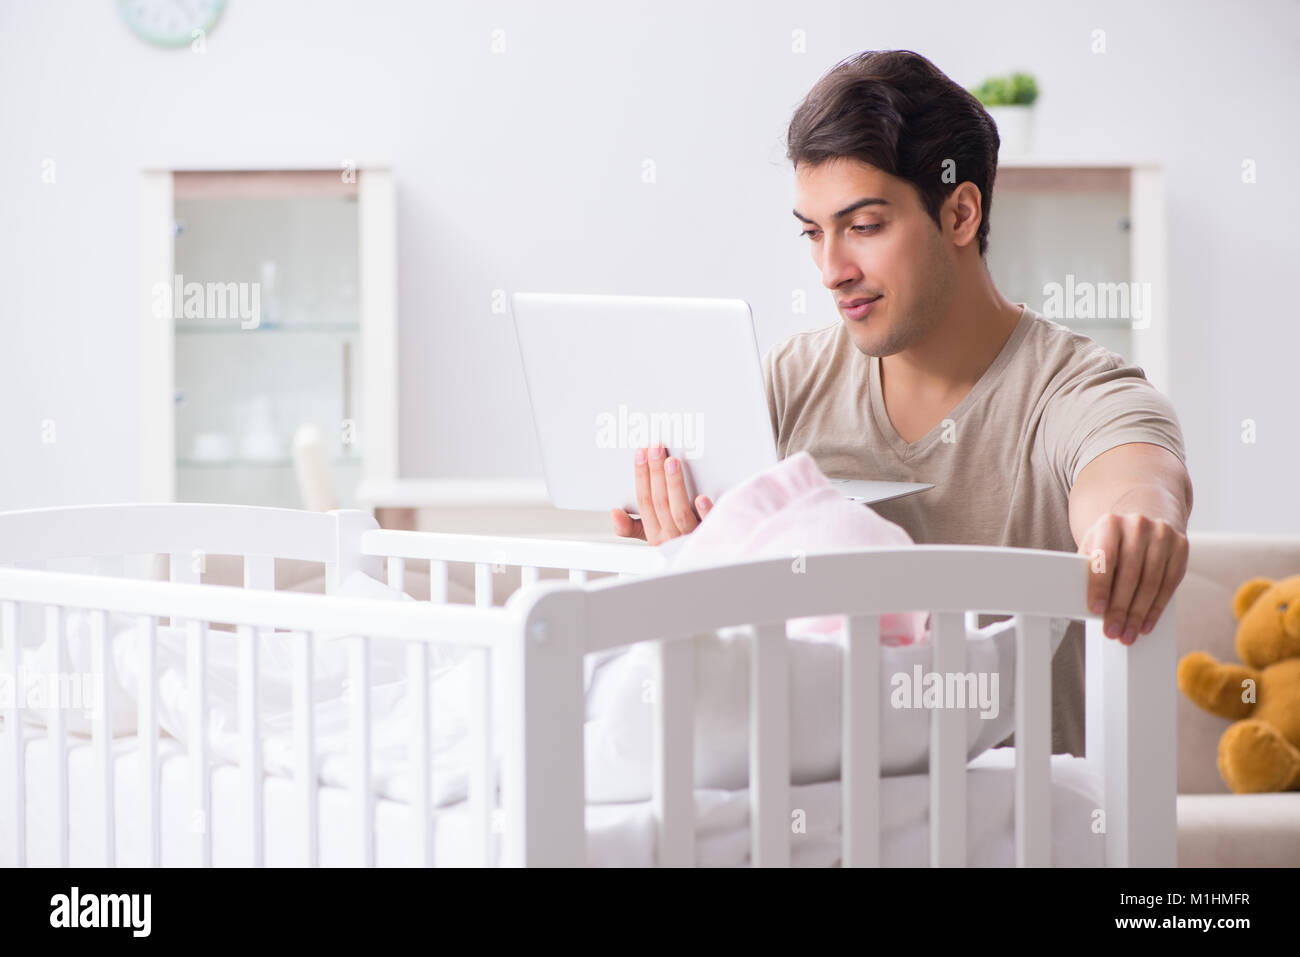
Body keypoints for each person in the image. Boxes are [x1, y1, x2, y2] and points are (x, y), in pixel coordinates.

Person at [610, 49, 1192, 758]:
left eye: (864, 226)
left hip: (1020, 831)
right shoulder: (785, 383)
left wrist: (1133, 524)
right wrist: (684, 556)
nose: (832, 270)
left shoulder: (1075, 388)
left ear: (960, 211)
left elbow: (1134, 472)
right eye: (813, 232)